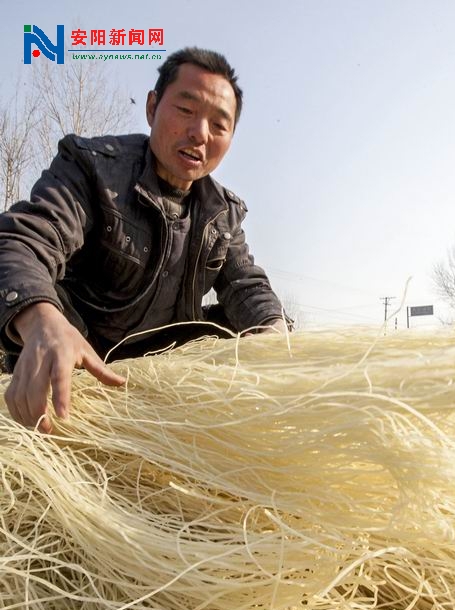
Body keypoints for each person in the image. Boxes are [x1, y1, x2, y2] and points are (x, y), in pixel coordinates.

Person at [0, 47, 287, 432]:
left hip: (165, 386)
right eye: (186, 110)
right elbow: (25, 241)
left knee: (253, 335)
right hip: (79, 369)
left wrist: (274, 335)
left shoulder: (221, 214)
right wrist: (40, 319)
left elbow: (247, 284)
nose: (200, 133)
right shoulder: (93, 169)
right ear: (152, 107)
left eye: (219, 125)